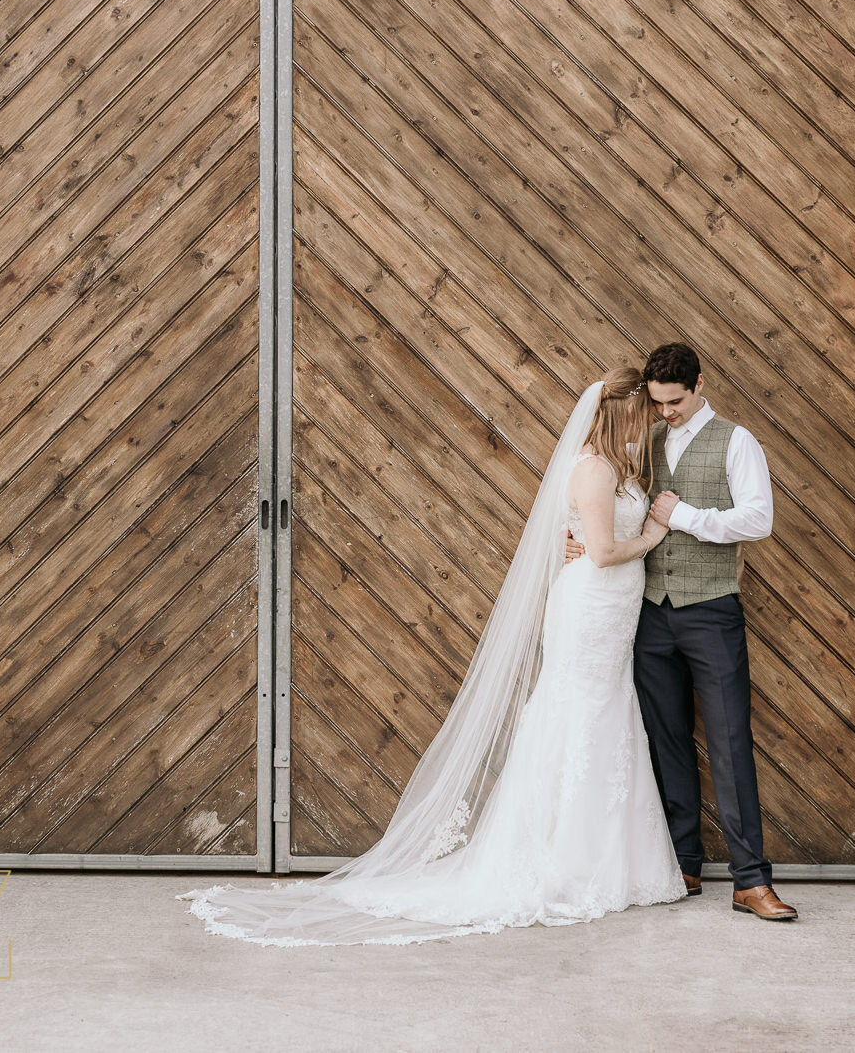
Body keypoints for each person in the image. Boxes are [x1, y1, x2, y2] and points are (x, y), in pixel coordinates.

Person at [177, 368, 687, 946]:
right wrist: (652, 532)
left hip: (615, 613)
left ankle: (609, 860)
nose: (651, 417)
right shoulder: (594, 468)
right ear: (621, 410)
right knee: (578, 715)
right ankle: (565, 860)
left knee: (606, 715)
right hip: (591, 607)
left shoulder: (622, 465)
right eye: (644, 408)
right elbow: (601, 551)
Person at [569, 342, 797, 923]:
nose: (665, 412)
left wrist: (686, 517)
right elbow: (601, 505)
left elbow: (758, 518)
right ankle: (681, 863)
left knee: (728, 742)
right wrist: (580, 544)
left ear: (699, 385)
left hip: (711, 610)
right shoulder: (640, 443)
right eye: (658, 403)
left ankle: (751, 881)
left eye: (674, 401)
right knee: (665, 739)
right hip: (647, 612)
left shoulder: (737, 441)